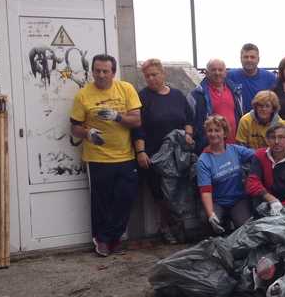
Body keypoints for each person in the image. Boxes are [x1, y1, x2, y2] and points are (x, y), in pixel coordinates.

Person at [69, 54, 141, 256]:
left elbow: (136, 121)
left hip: (125, 156)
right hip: (98, 158)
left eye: (105, 71)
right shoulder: (83, 95)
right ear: (92, 71)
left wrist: (117, 116)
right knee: (101, 202)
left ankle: (115, 237)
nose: (101, 75)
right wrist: (88, 133)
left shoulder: (125, 89)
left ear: (113, 72)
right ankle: (101, 240)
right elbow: (75, 128)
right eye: (97, 71)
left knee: (125, 199)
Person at [133, 58, 194, 243]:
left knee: (179, 191)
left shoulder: (177, 95)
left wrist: (188, 135)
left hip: (178, 155)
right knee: (161, 195)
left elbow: (189, 118)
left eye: (154, 74)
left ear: (163, 74)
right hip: (156, 156)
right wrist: (140, 152)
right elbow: (138, 128)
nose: (151, 79)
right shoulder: (142, 97)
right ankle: (165, 226)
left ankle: (180, 225)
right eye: (147, 76)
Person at [197, 115, 255, 234]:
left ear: (224, 133)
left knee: (246, 230)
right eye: (210, 130)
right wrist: (211, 214)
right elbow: (205, 191)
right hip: (217, 201)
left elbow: (257, 155)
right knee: (208, 221)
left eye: (217, 130)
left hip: (238, 199)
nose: (213, 134)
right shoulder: (203, 160)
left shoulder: (235, 150)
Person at [246, 124, 285, 213]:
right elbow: (252, 183)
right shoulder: (259, 155)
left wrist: (282, 209)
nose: (276, 141)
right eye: (272, 137)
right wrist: (271, 199)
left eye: (281, 137)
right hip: (266, 200)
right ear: (267, 140)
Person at [188, 58, 243, 152]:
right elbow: (189, 120)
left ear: (225, 73)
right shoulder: (197, 94)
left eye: (220, 70)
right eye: (213, 70)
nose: (217, 73)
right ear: (206, 72)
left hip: (234, 146)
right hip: (210, 148)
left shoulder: (236, 91)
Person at [229, 43, 277, 114]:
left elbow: (276, 103)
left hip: (263, 122)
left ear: (258, 59)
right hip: (240, 122)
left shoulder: (270, 78)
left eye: (252, 57)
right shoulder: (230, 76)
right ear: (240, 59)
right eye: (246, 57)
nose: (249, 60)